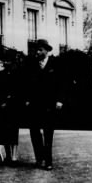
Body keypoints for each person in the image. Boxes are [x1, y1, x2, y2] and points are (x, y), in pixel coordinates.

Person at [25, 39, 64, 171]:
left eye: (40, 49)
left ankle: (48, 161)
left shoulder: (56, 64)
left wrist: (60, 100)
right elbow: (27, 84)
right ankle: (39, 158)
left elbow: (61, 84)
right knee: (34, 132)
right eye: (36, 49)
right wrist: (27, 99)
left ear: (47, 50)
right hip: (35, 105)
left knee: (48, 133)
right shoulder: (32, 65)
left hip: (49, 105)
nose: (38, 52)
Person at [0, 57, 20, 165]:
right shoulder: (0, 74)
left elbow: (17, 90)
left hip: (13, 107)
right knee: (4, 131)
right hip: (1, 107)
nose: (6, 62)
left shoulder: (17, 74)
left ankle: (14, 157)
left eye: (9, 60)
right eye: (6, 60)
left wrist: (8, 100)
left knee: (13, 132)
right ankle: (8, 156)